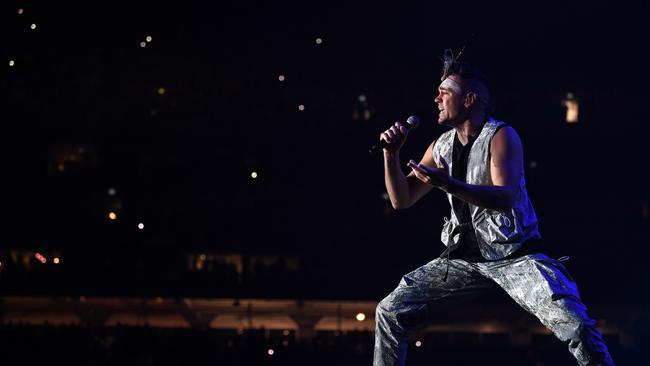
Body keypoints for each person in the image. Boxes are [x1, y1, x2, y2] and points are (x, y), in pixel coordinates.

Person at [373, 56, 614, 365]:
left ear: (470, 99)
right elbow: (401, 199)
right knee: (390, 311)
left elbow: (504, 197)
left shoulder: (501, 136)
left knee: (577, 325)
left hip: (515, 256)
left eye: (444, 92)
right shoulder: (441, 145)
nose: (436, 99)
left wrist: (447, 184)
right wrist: (391, 155)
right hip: (461, 260)